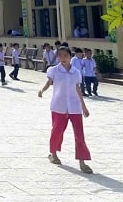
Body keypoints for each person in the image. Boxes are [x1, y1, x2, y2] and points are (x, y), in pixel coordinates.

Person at [38, 46, 93, 174]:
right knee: (57, 131)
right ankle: (53, 153)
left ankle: (82, 161)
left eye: (65, 56)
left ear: (70, 57)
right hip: (59, 106)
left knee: (79, 134)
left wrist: (84, 107)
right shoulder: (54, 71)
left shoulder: (76, 72)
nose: (63, 58)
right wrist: (42, 90)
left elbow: (78, 89)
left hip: (74, 107)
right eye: (60, 55)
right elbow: (49, 82)